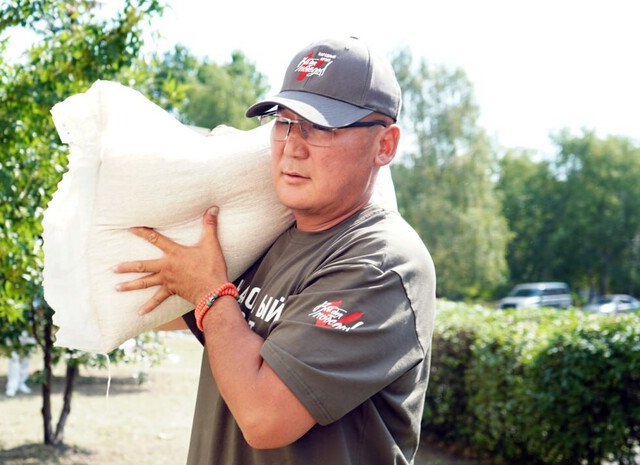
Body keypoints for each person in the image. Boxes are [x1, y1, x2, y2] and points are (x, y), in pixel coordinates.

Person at [115, 35, 436, 464]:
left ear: (385, 145)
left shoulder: (382, 262)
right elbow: (174, 314)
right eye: (284, 122)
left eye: (323, 127)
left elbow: (264, 418)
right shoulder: (269, 235)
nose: (293, 146)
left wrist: (210, 291)